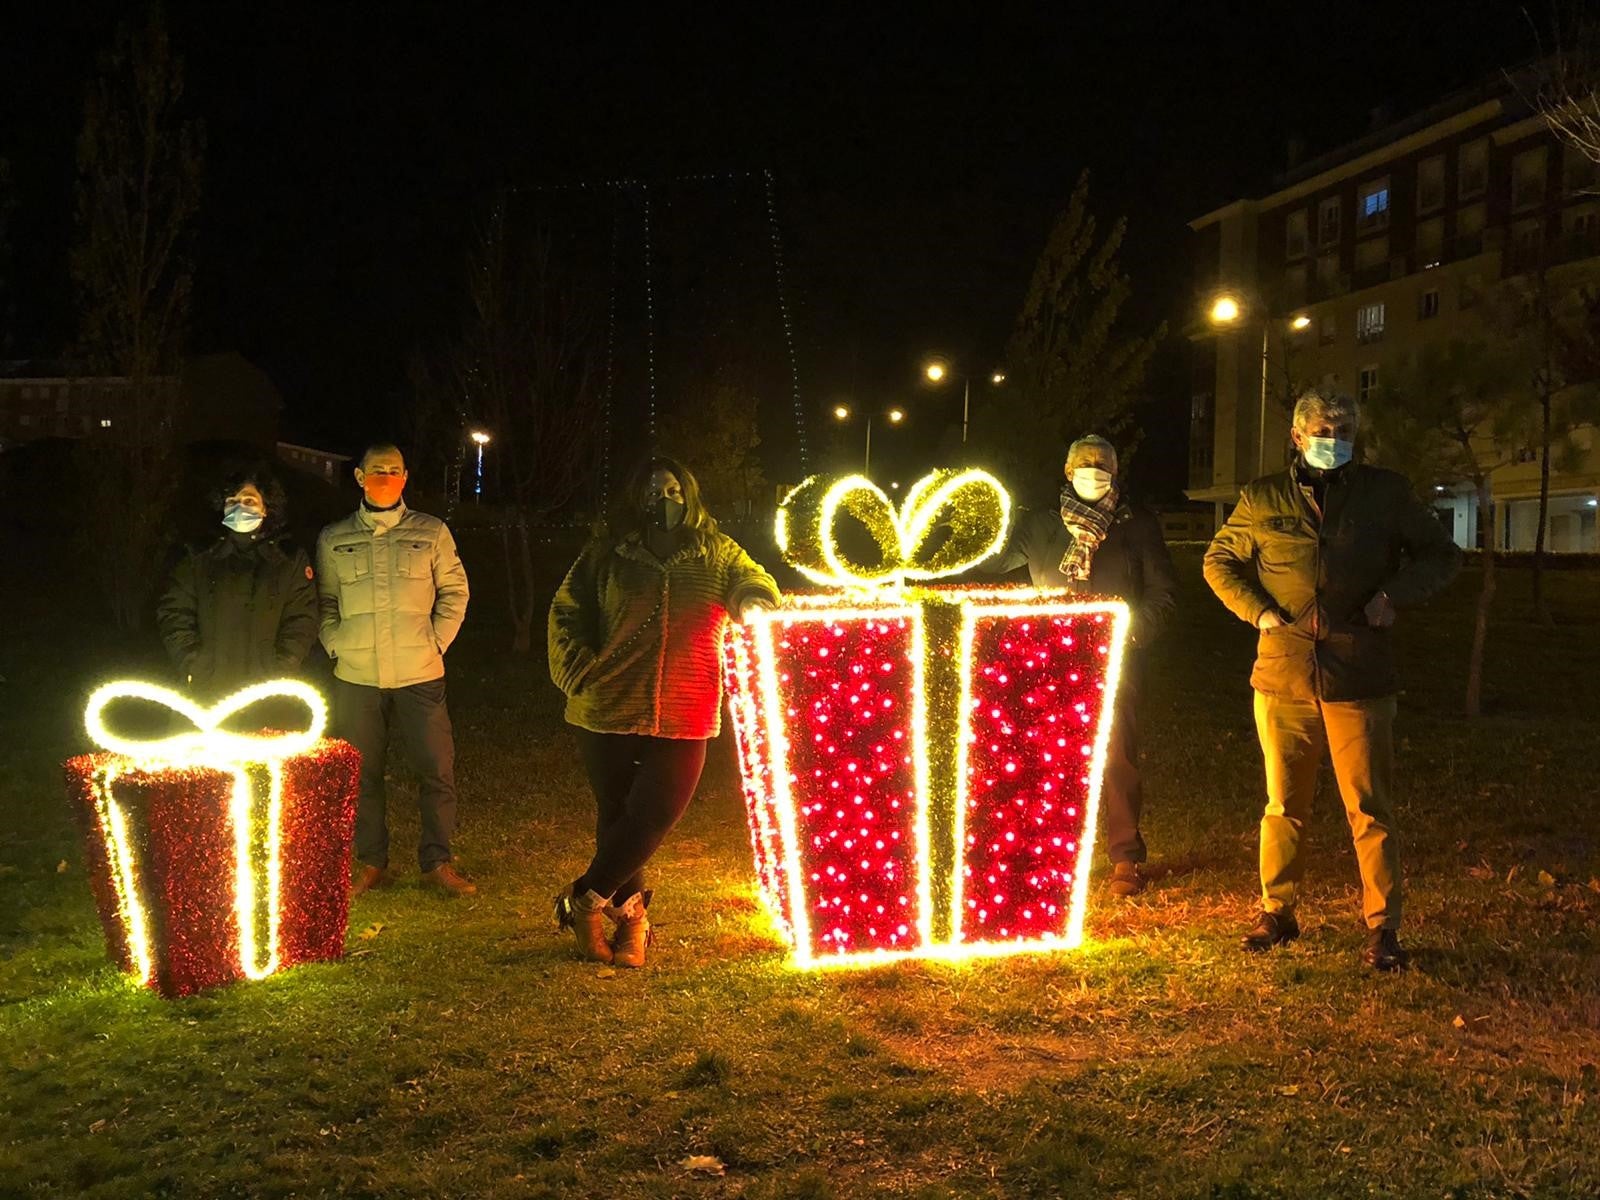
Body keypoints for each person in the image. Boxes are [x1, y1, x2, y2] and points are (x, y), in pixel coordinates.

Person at [1203, 389, 1460, 971]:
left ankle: (1383, 928)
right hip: (1283, 675)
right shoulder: (1262, 496)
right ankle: (1277, 911)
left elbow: (1441, 555)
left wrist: (1393, 596)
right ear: (1298, 436)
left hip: (1360, 674)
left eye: (1344, 431)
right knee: (1283, 804)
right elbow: (1220, 561)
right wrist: (1261, 612)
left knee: (1369, 808)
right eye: (1324, 430)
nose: (1335, 440)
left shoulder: (1386, 493)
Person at [547, 455, 781, 967]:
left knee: (654, 812)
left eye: (674, 490)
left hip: (686, 706)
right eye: (653, 491)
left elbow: (752, 579)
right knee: (618, 817)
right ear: (637, 498)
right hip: (608, 704)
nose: (664, 499)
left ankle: (583, 901)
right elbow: (567, 610)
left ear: (690, 495)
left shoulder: (716, 550)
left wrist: (753, 603)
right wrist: (578, 669)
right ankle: (633, 924)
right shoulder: (608, 552)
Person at [996, 435, 1178, 897]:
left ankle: (1124, 858)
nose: (1093, 469)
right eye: (1084, 462)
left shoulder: (1135, 527)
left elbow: (1163, 592)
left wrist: (1134, 631)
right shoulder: (1039, 526)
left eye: (1103, 464)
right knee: (1043, 761)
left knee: (1118, 757)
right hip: (1050, 659)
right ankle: (1041, 854)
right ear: (1067, 469)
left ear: (1116, 473)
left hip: (1116, 658)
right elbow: (992, 561)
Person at [316, 442, 473, 897]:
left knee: (436, 769)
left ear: (405, 478)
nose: (386, 476)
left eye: (395, 470)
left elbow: (455, 592)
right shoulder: (334, 538)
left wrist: (436, 641)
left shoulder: (432, 532)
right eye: (377, 469)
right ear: (360, 477)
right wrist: (334, 641)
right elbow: (326, 600)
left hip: (420, 674)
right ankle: (371, 862)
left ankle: (437, 863)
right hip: (357, 676)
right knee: (361, 772)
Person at [157, 465, 319, 702]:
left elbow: (302, 619)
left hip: (267, 692)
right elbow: (174, 612)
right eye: (231, 500)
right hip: (206, 690)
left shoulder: (289, 560)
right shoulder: (198, 556)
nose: (239, 507)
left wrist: (282, 668)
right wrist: (193, 663)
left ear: (266, 508)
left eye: (249, 500)